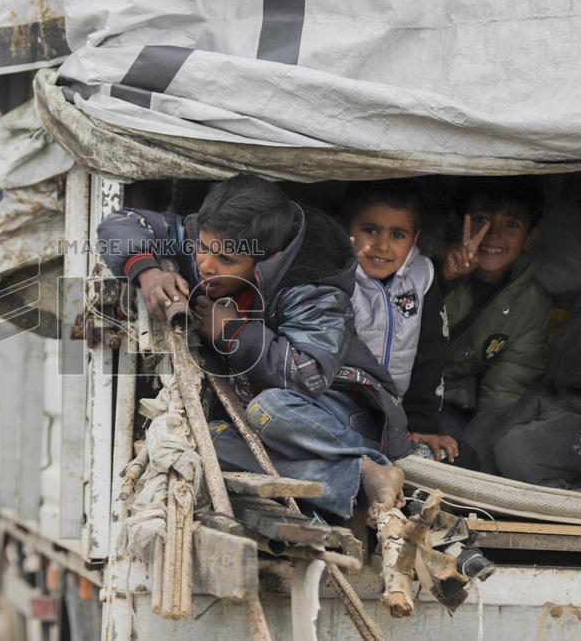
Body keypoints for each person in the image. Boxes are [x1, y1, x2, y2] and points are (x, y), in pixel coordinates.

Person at [98, 174, 413, 521]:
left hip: (335, 412)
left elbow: (308, 374)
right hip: (256, 418)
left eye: (226, 261)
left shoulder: (315, 286)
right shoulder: (210, 237)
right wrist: (147, 271)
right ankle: (356, 477)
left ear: (268, 259)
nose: (205, 265)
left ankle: (367, 460)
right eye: (202, 248)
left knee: (270, 408)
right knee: (203, 438)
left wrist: (233, 332)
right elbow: (121, 223)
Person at [342, 181, 458, 463]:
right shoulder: (338, 276)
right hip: (341, 406)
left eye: (397, 234)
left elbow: (430, 357)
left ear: (415, 239)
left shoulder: (422, 276)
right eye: (370, 230)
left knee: (456, 457)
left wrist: (422, 426)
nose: (382, 245)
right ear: (349, 231)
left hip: (398, 413)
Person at [437, 177, 551, 439]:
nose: (492, 233)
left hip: (449, 403)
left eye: (510, 224)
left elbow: (506, 389)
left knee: (467, 449)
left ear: (530, 237)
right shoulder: (425, 262)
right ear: (459, 222)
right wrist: (445, 277)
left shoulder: (531, 304)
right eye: (480, 219)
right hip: (396, 390)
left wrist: (485, 446)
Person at [458, 291, 581, 488]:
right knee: (477, 443)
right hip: (558, 397)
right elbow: (564, 368)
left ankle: (573, 495)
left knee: (516, 452)